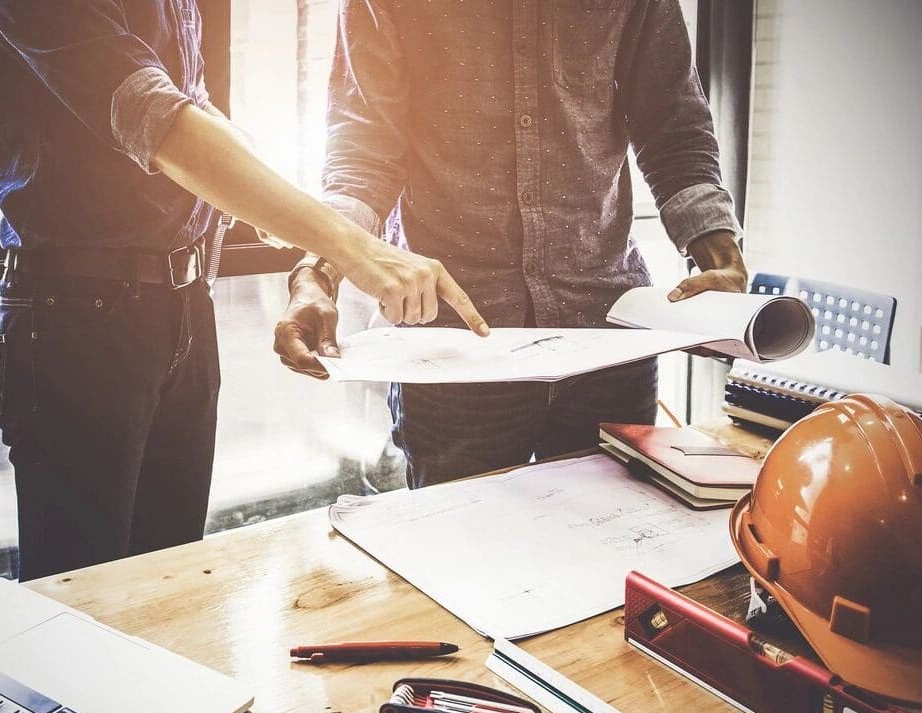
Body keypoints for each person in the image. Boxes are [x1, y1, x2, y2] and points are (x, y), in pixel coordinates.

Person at [0, 0, 488, 580]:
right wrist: (354, 249)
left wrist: (298, 228)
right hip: (76, 313)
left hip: (185, 303)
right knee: (80, 593)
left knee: (172, 580)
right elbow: (160, 122)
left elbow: (200, 115)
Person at [274, 0, 747, 488]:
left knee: (614, 547)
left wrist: (722, 257)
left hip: (609, 333)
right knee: (458, 554)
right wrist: (319, 270)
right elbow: (362, 158)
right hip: (454, 351)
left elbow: (674, 129)